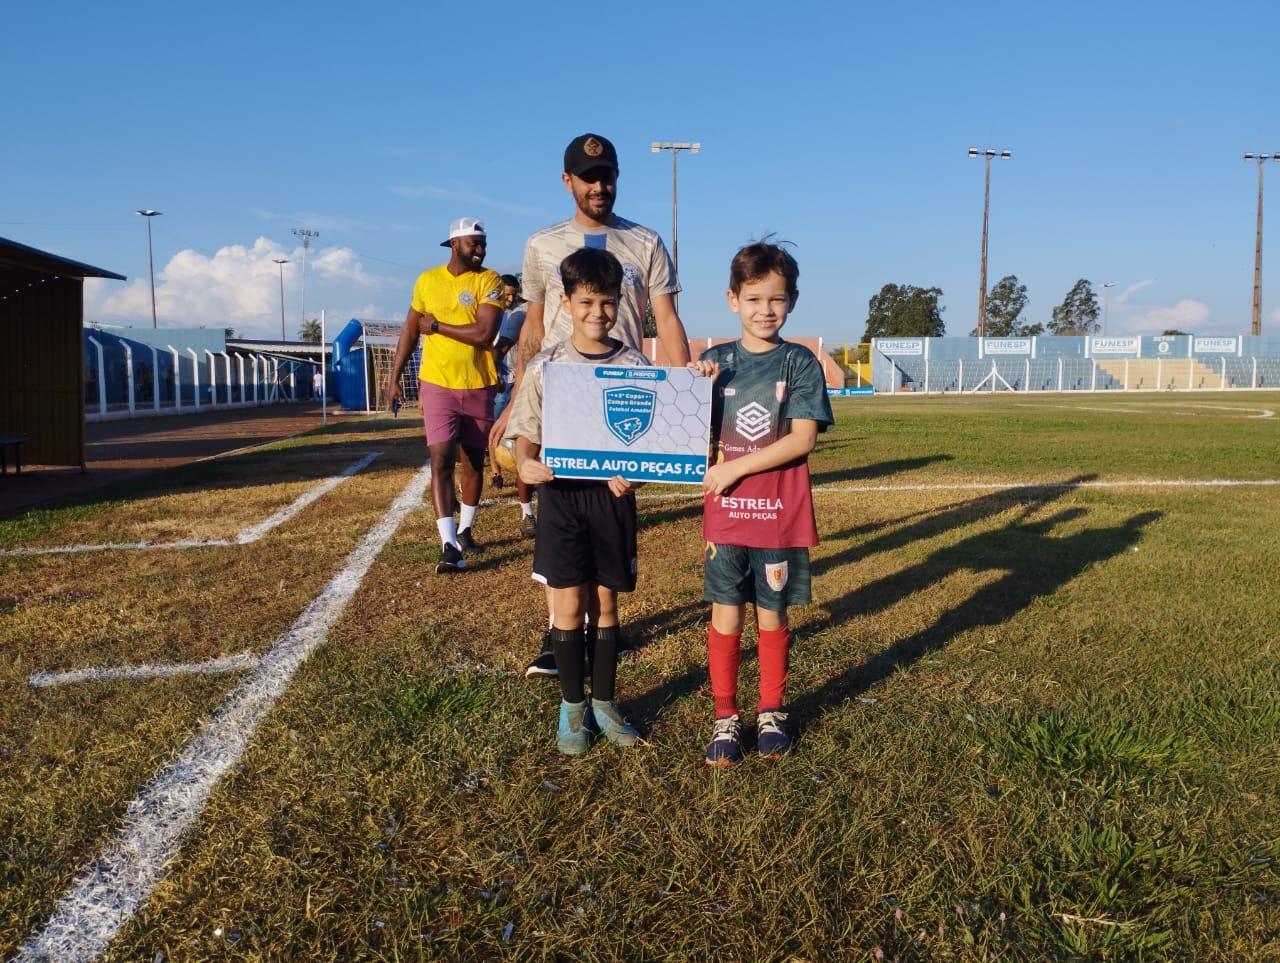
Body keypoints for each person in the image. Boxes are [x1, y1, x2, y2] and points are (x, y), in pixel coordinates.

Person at [492, 132, 694, 678]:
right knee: (561, 509)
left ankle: (606, 627)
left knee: (611, 509)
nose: (599, 185)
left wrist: (683, 403)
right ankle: (556, 635)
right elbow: (533, 330)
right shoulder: (541, 245)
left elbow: (666, 321)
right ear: (568, 182)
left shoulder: (645, 242)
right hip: (560, 397)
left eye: (608, 175)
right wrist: (516, 402)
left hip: (622, 394)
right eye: (588, 177)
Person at [504, 248, 649, 754]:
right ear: (567, 302)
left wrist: (633, 476)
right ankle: (572, 708)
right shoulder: (547, 365)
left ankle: (605, 703)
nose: (598, 313)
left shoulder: (634, 364)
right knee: (567, 607)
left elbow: (646, 446)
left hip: (610, 502)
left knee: (605, 604)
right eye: (586, 302)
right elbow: (525, 430)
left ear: (619, 303)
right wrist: (525, 462)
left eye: (608, 303)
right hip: (562, 500)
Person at [698, 239, 834, 766]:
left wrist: (734, 466)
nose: (765, 311)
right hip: (726, 516)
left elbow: (802, 440)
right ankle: (726, 717)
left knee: (772, 617)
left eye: (775, 300)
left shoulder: (800, 362)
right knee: (726, 615)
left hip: (778, 515)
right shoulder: (715, 363)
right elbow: (690, 433)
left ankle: (772, 710)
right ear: (733, 300)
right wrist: (693, 387)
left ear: (792, 301)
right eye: (753, 299)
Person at [385, 217, 504, 574]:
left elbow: (484, 332)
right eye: (474, 244)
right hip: (436, 384)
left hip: (479, 383)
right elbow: (410, 329)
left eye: (483, 244)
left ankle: (466, 529)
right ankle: (449, 544)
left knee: (473, 462)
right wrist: (394, 377)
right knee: (439, 460)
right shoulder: (426, 281)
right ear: (455, 244)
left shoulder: (489, 280)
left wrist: (436, 326)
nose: (481, 250)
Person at [490, 275, 537, 538]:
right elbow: (500, 348)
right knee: (513, 442)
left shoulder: (525, 311)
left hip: (545, 387)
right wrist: (492, 372)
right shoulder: (517, 315)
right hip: (519, 387)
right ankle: (527, 512)